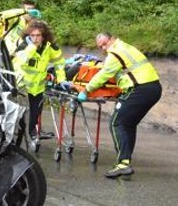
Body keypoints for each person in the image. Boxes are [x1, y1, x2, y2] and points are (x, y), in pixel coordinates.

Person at [62, 33, 162, 178]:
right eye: (100, 46)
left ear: (112, 38)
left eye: (104, 43)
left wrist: (86, 90)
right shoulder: (127, 47)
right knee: (128, 124)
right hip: (153, 88)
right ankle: (125, 161)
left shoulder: (115, 53)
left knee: (117, 123)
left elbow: (105, 74)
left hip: (139, 89)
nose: (103, 47)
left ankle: (123, 164)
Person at [12, 20, 66, 141]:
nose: (35, 38)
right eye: (32, 35)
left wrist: (61, 79)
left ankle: (34, 132)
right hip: (22, 86)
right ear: (28, 36)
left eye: (38, 35)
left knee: (36, 111)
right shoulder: (24, 46)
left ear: (44, 36)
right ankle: (17, 137)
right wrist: (32, 47)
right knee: (20, 114)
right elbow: (22, 60)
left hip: (38, 86)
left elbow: (60, 63)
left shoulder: (50, 47)